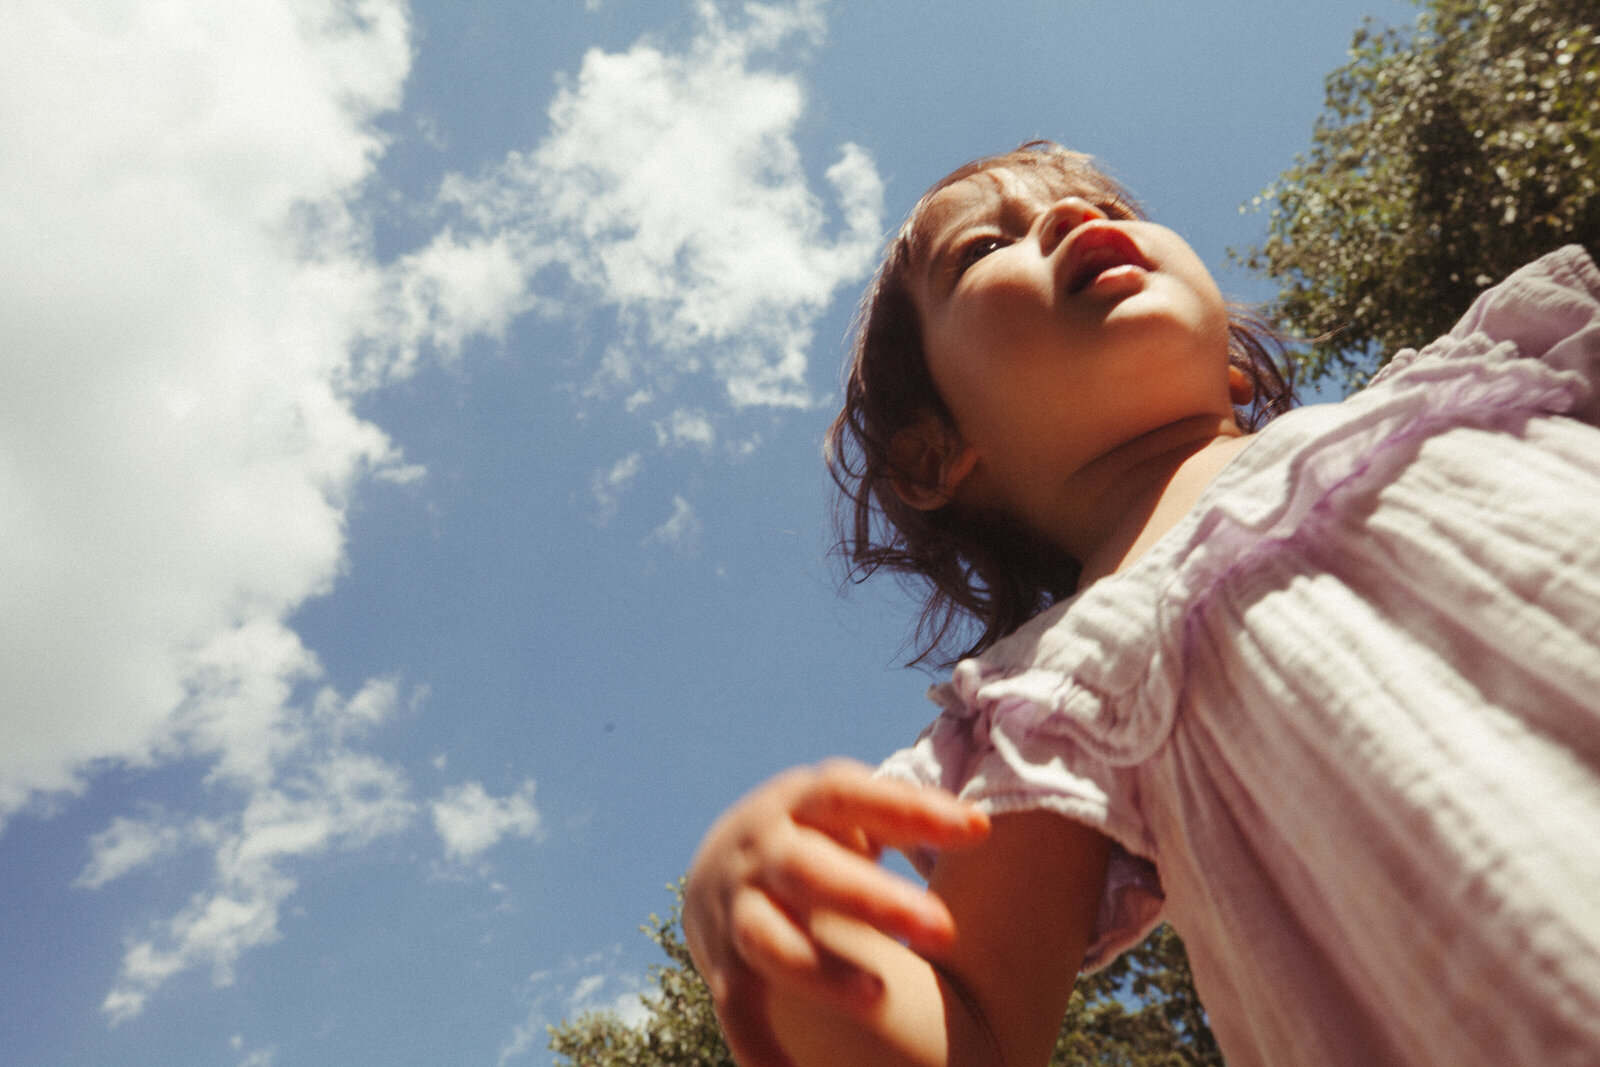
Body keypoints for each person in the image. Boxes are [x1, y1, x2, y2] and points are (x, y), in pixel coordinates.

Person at [684, 143, 1600, 1067]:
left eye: (1104, 204)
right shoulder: (1057, 691)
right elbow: (977, 1033)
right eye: (982, 248)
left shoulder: (1490, 377)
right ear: (934, 455)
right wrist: (784, 954)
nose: (1072, 218)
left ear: (1234, 368)